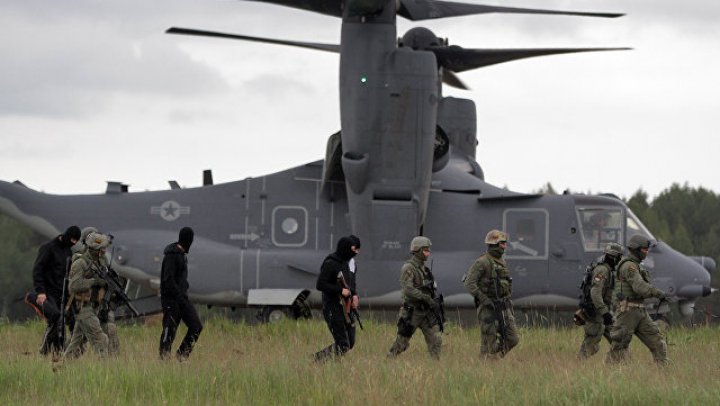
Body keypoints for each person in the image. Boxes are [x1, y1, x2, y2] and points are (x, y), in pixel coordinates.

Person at [606, 234, 668, 365]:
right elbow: (639, 287)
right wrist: (658, 293)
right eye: (644, 250)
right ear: (636, 250)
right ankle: (607, 377)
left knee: (658, 343)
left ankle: (664, 375)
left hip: (640, 311)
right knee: (619, 347)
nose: (646, 252)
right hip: (627, 311)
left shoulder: (636, 266)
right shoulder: (629, 266)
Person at [463, 229, 519, 359]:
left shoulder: (501, 262)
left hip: (503, 306)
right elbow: (469, 283)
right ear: (493, 244)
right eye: (502, 243)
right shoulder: (482, 262)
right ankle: (486, 364)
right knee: (489, 342)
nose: (504, 246)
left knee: (512, 338)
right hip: (488, 308)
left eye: (505, 243)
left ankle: (494, 359)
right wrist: (485, 299)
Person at [28, 225, 81, 357]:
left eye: (76, 241)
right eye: (72, 240)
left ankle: (59, 353)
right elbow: (37, 271)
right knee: (56, 319)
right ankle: (45, 350)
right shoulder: (48, 248)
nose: (73, 243)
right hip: (47, 293)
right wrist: (40, 292)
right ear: (66, 235)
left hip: (63, 294)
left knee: (69, 323)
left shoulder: (69, 252)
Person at [387, 236, 443, 360]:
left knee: (436, 340)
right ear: (417, 250)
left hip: (426, 312)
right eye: (425, 250)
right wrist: (425, 297)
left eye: (428, 250)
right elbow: (408, 289)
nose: (428, 253)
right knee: (402, 343)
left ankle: (436, 366)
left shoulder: (425, 269)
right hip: (412, 312)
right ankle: (390, 359)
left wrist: (432, 299)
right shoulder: (408, 268)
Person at [68, 226, 120, 356]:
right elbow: (73, 286)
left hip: (98, 306)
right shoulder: (80, 263)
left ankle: (61, 367)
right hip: (84, 308)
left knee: (76, 344)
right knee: (101, 339)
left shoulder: (102, 262)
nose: (104, 250)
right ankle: (106, 372)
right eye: (101, 248)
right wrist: (94, 281)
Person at [313, 235, 361, 361]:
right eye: (353, 249)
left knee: (350, 342)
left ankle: (328, 361)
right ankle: (316, 360)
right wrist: (340, 290)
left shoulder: (346, 264)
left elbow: (350, 283)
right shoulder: (330, 263)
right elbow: (320, 284)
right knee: (343, 344)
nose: (355, 253)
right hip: (333, 307)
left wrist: (354, 295)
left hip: (346, 307)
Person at [159, 226, 203, 362]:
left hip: (182, 299)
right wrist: (179, 296)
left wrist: (184, 292)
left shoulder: (182, 255)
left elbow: (180, 280)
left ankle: (182, 355)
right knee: (169, 331)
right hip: (171, 301)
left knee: (196, 326)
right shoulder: (172, 256)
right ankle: (163, 359)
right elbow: (168, 280)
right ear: (187, 240)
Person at [577, 242, 623, 359]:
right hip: (597, 312)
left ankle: (623, 365)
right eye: (618, 257)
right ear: (613, 257)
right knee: (591, 344)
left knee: (619, 339)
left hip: (603, 312)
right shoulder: (602, 270)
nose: (620, 260)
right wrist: (605, 312)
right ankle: (577, 366)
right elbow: (595, 293)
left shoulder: (607, 270)